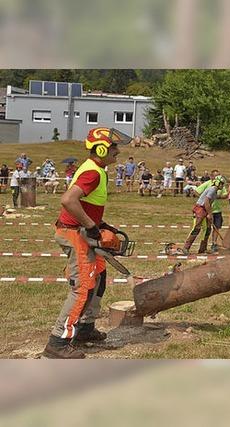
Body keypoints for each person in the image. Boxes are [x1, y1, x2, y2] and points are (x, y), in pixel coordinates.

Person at [43, 127, 131, 359]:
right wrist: (92, 227)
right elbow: (68, 200)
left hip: (81, 230)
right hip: (75, 233)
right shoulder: (93, 172)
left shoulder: (97, 170)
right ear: (101, 149)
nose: (118, 152)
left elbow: (87, 205)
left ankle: (84, 327)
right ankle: (58, 342)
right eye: (114, 148)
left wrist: (102, 225)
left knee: (99, 278)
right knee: (82, 287)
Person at [180, 177, 226, 254]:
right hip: (200, 209)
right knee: (197, 228)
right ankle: (186, 247)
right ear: (217, 183)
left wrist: (208, 213)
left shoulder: (215, 191)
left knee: (207, 229)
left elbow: (209, 204)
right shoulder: (212, 190)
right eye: (221, 184)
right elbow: (206, 202)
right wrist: (210, 214)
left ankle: (203, 248)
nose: (222, 186)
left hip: (205, 209)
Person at [210, 177, 229, 252]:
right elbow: (197, 191)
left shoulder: (222, 187)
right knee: (206, 229)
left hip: (217, 211)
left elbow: (225, 195)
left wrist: (218, 196)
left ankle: (214, 243)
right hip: (209, 211)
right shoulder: (208, 185)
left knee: (216, 228)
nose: (222, 186)